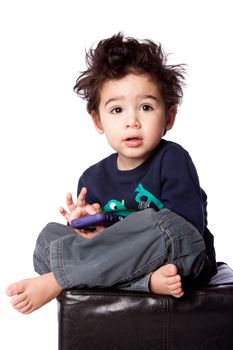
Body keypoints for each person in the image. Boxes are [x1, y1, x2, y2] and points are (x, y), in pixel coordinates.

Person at [6, 33, 217, 314]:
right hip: (124, 265)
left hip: (179, 255)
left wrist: (108, 241)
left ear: (169, 117)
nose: (132, 121)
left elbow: (184, 233)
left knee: (164, 224)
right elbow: (97, 245)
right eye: (117, 109)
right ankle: (143, 283)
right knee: (49, 238)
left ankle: (59, 278)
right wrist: (85, 228)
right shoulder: (92, 178)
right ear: (98, 120)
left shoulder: (173, 159)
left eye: (146, 107)